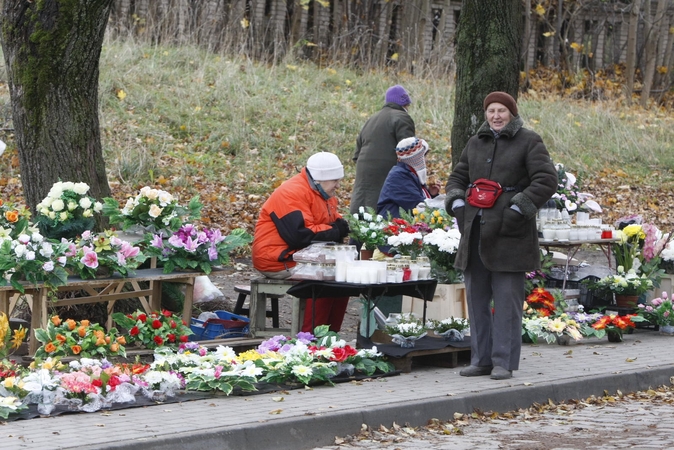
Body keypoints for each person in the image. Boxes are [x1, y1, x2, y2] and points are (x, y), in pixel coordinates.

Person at [444, 91, 557, 380]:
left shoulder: (529, 141)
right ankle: (480, 359)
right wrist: (457, 204)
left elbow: (546, 180)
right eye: (491, 110)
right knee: (477, 298)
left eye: (501, 111)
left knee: (507, 302)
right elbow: (458, 176)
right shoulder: (475, 143)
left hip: (511, 234)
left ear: (511, 113)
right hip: (475, 232)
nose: (496, 116)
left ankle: (503, 362)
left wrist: (518, 209)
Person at [252, 151, 351, 333]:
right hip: (277, 258)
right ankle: (311, 336)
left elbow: (332, 222)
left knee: (344, 280)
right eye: (335, 180)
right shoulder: (292, 192)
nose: (338, 185)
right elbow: (299, 235)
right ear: (320, 179)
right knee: (325, 278)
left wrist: (339, 227)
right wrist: (336, 230)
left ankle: (330, 335)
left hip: (297, 254)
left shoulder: (323, 193)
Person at [350, 85, 416, 216]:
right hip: (386, 170)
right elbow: (409, 151)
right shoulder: (403, 117)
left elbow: (356, 154)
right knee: (380, 208)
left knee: (361, 205)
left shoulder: (372, 119)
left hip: (363, 169)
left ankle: (357, 232)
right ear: (405, 104)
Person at [377, 137, 442, 220]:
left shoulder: (409, 173)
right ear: (416, 158)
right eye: (424, 156)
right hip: (393, 225)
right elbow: (419, 206)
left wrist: (431, 194)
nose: (427, 160)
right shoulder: (399, 176)